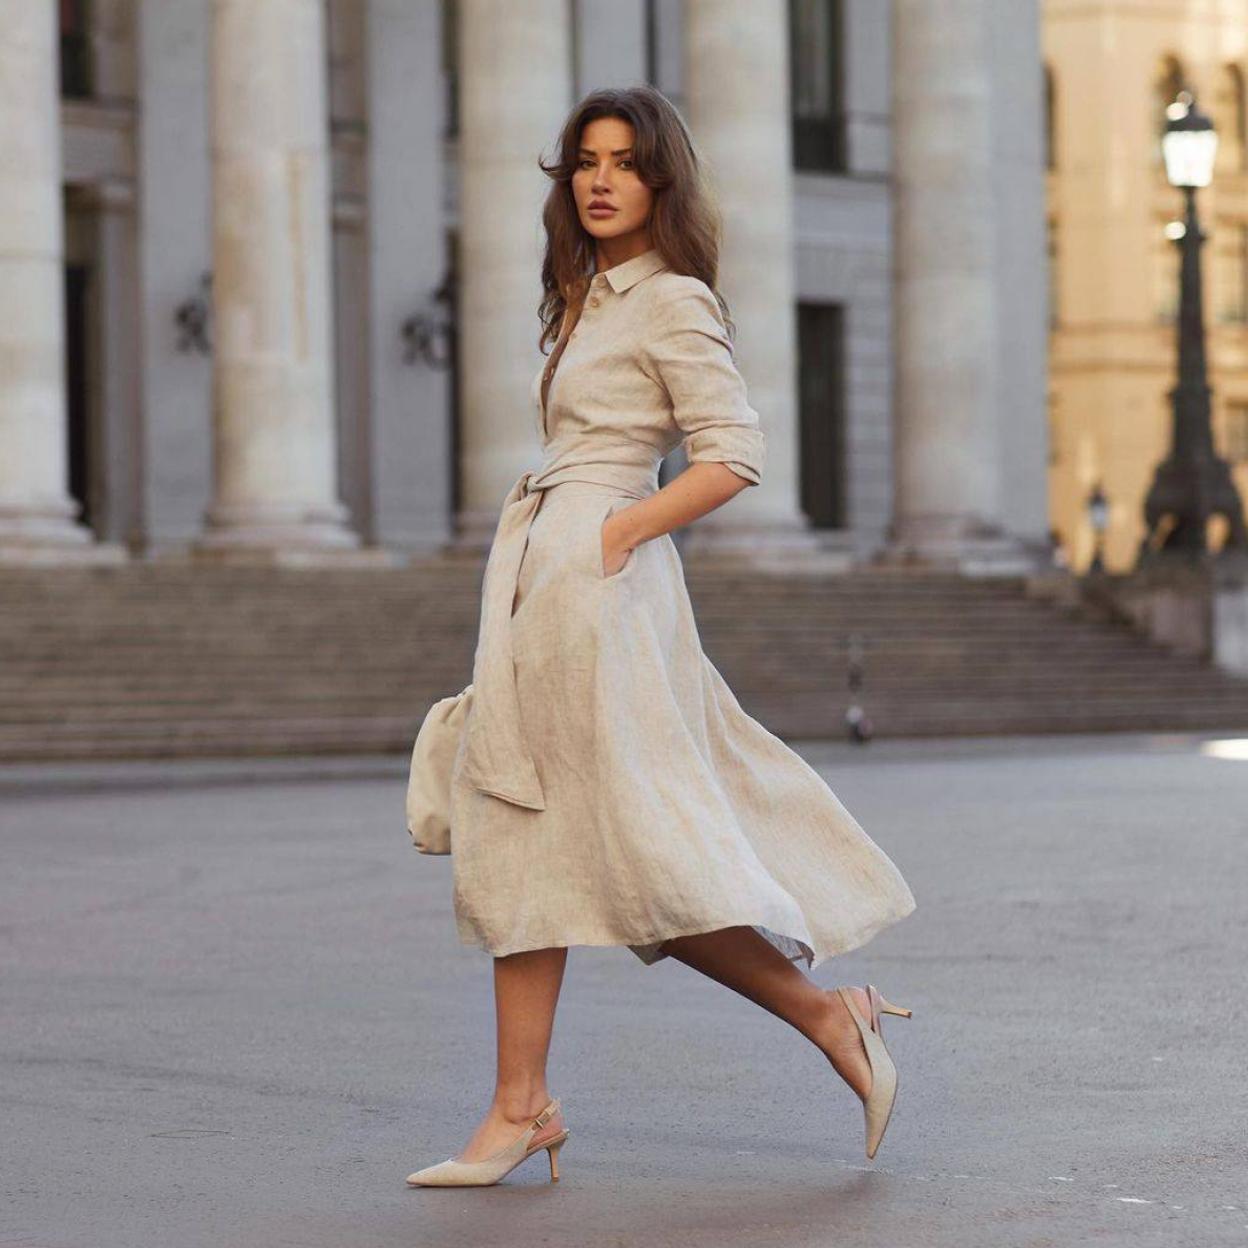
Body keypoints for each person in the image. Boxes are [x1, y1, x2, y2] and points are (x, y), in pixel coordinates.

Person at [406, 85, 917, 1188]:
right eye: (585, 160)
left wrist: (620, 529)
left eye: (626, 163)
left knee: (617, 849)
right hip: (547, 579)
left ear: (661, 182)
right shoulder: (587, 296)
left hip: (598, 586)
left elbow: (733, 451)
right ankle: (521, 1104)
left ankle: (826, 1018)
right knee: (537, 837)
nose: (599, 180)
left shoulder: (672, 298)